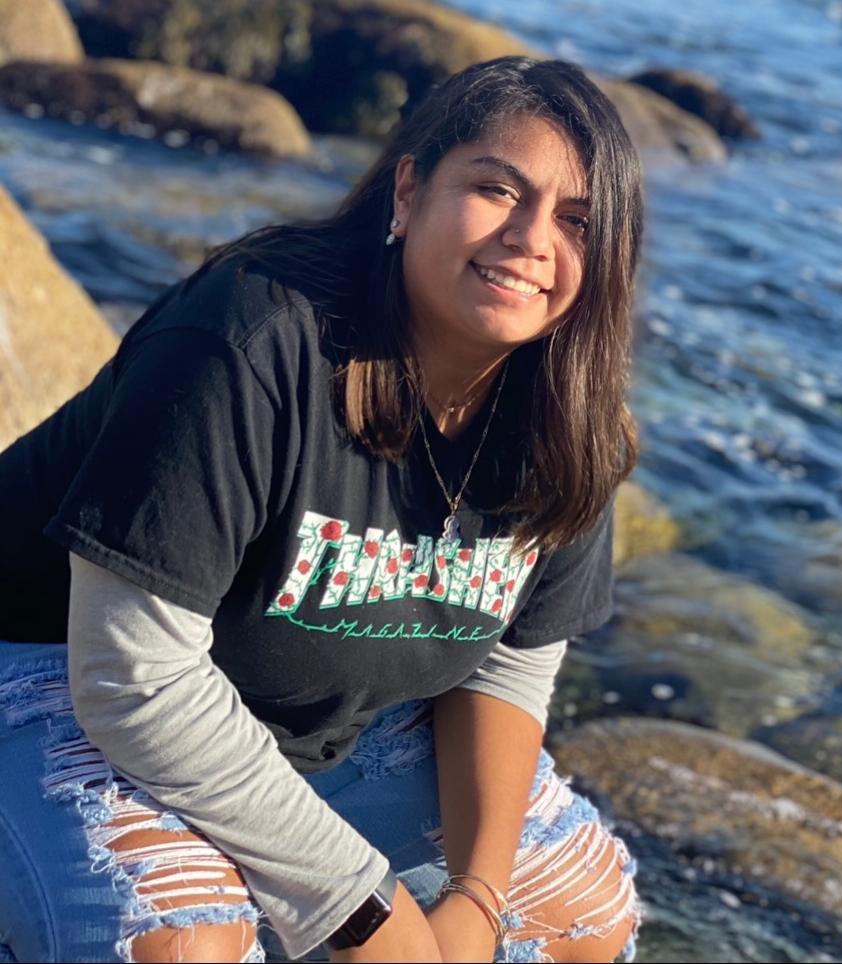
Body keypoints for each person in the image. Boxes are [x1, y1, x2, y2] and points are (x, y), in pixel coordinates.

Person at [0, 55, 644, 963]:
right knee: (177, 942)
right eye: (497, 189)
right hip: (51, 678)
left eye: (578, 222)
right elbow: (131, 677)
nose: (532, 240)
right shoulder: (251, 339)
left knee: (583, 915)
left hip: (312, 731)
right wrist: (359, 910)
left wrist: (478, 903)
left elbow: (505, 673)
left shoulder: (569, 423)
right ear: (409, 189)